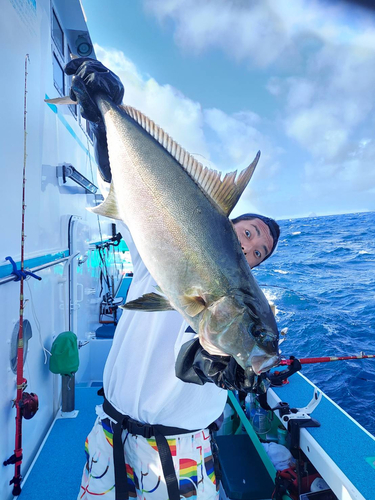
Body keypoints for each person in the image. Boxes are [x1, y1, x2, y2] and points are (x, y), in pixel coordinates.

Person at [65, 58, 280, 500]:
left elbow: (222, 357)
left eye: (260, 253)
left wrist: (231, 365)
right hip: (111, 430)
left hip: (184, 451)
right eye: (250, 233)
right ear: (230, 226)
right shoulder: (158, 253)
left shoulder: (256, 311)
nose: (252, 247)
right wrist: (106, 116)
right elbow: (125, 189)